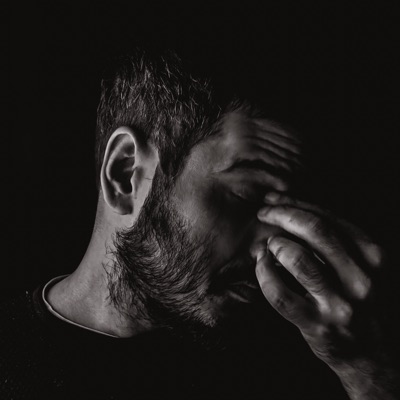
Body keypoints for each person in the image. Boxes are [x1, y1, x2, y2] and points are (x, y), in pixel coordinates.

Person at [1, 47, 399, 400]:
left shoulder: (299, 358)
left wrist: (366, 372)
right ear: (125, 174)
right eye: (246, 196)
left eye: (290, 212)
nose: (274, 246)